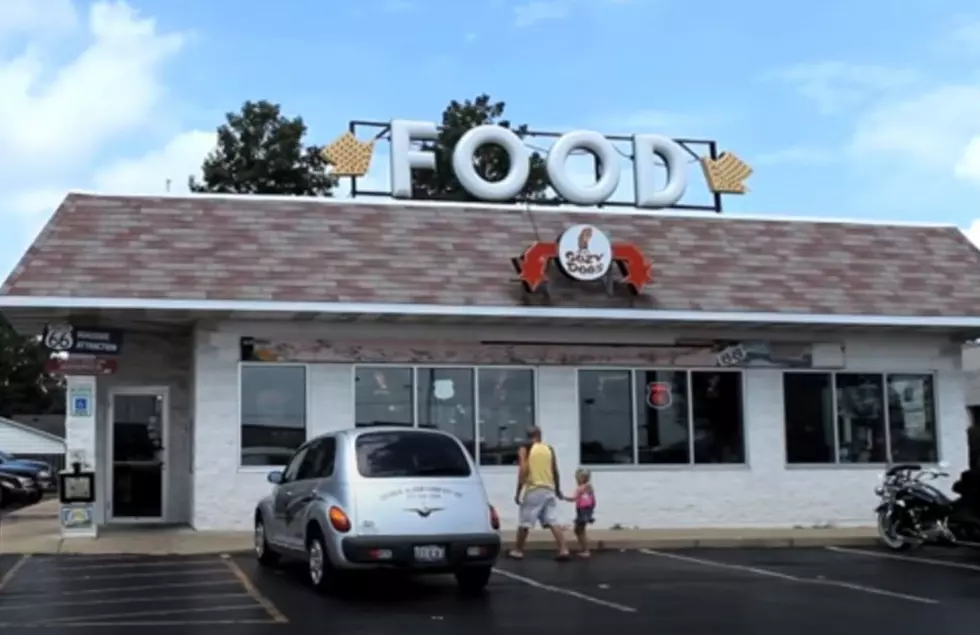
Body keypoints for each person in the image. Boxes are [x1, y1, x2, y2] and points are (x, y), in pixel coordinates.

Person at [508, 426, 570, 560]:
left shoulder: (525, 449)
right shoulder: (549, 449)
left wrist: (518, 492)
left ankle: (518, 550)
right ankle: (563, 549)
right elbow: (555, 471)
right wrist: (558, 489)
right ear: (540, 435)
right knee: (553, 520)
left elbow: (523, 470)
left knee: (525, 522)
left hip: (534, 489)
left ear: (528, 436)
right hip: (549, 489)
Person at [564, 468, 596, 558]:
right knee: (579, 530)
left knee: (579, 531)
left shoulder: (580, 488)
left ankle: (585, 550)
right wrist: (590, 513)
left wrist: (563, 497)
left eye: (577, 477)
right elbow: (593, 501)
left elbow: (574, 498)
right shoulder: (589, 487)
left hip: (582, 511)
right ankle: (584, 548)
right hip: (586, 511)